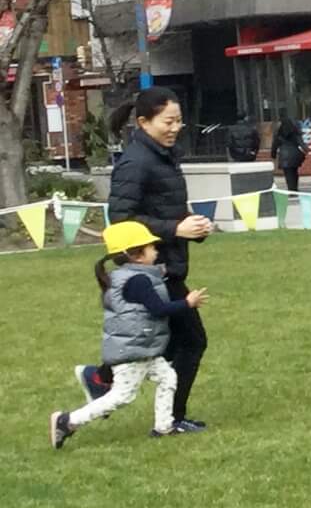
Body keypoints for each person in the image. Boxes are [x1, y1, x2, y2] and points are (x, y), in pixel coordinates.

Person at [85, 89, 214, 431]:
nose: (175, 128)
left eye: (178, 120)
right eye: (168, 121)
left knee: (160, 344)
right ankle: (171, 418)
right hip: (151, 269)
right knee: (191, 341)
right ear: (143, 122)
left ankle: (101, 378)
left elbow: (162, 207)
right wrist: (175, 228)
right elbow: (122, 218)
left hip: (166, 263)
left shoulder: (164, 155)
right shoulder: (135, 161)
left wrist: (194, 226)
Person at [51, 221, 208, 448]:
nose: (156, 250)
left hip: (144, 348)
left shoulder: (128, 276)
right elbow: (159, 310)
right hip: (133, 352)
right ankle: (68, 421)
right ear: (137, 255)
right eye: (151, 247)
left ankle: (164, 427)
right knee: (122, 396)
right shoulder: (138, 281)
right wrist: (187, 303)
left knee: (168, 378)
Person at [273, 116, 307, 193]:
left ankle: (291, 189)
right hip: (295, 154)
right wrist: (307, 150)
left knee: (288, 174)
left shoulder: (279, 133)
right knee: (294, 172)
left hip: (284, 155)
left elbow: (274, 145)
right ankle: (295, 188)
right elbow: (301, 143)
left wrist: (273, 154)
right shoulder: (295, 132)